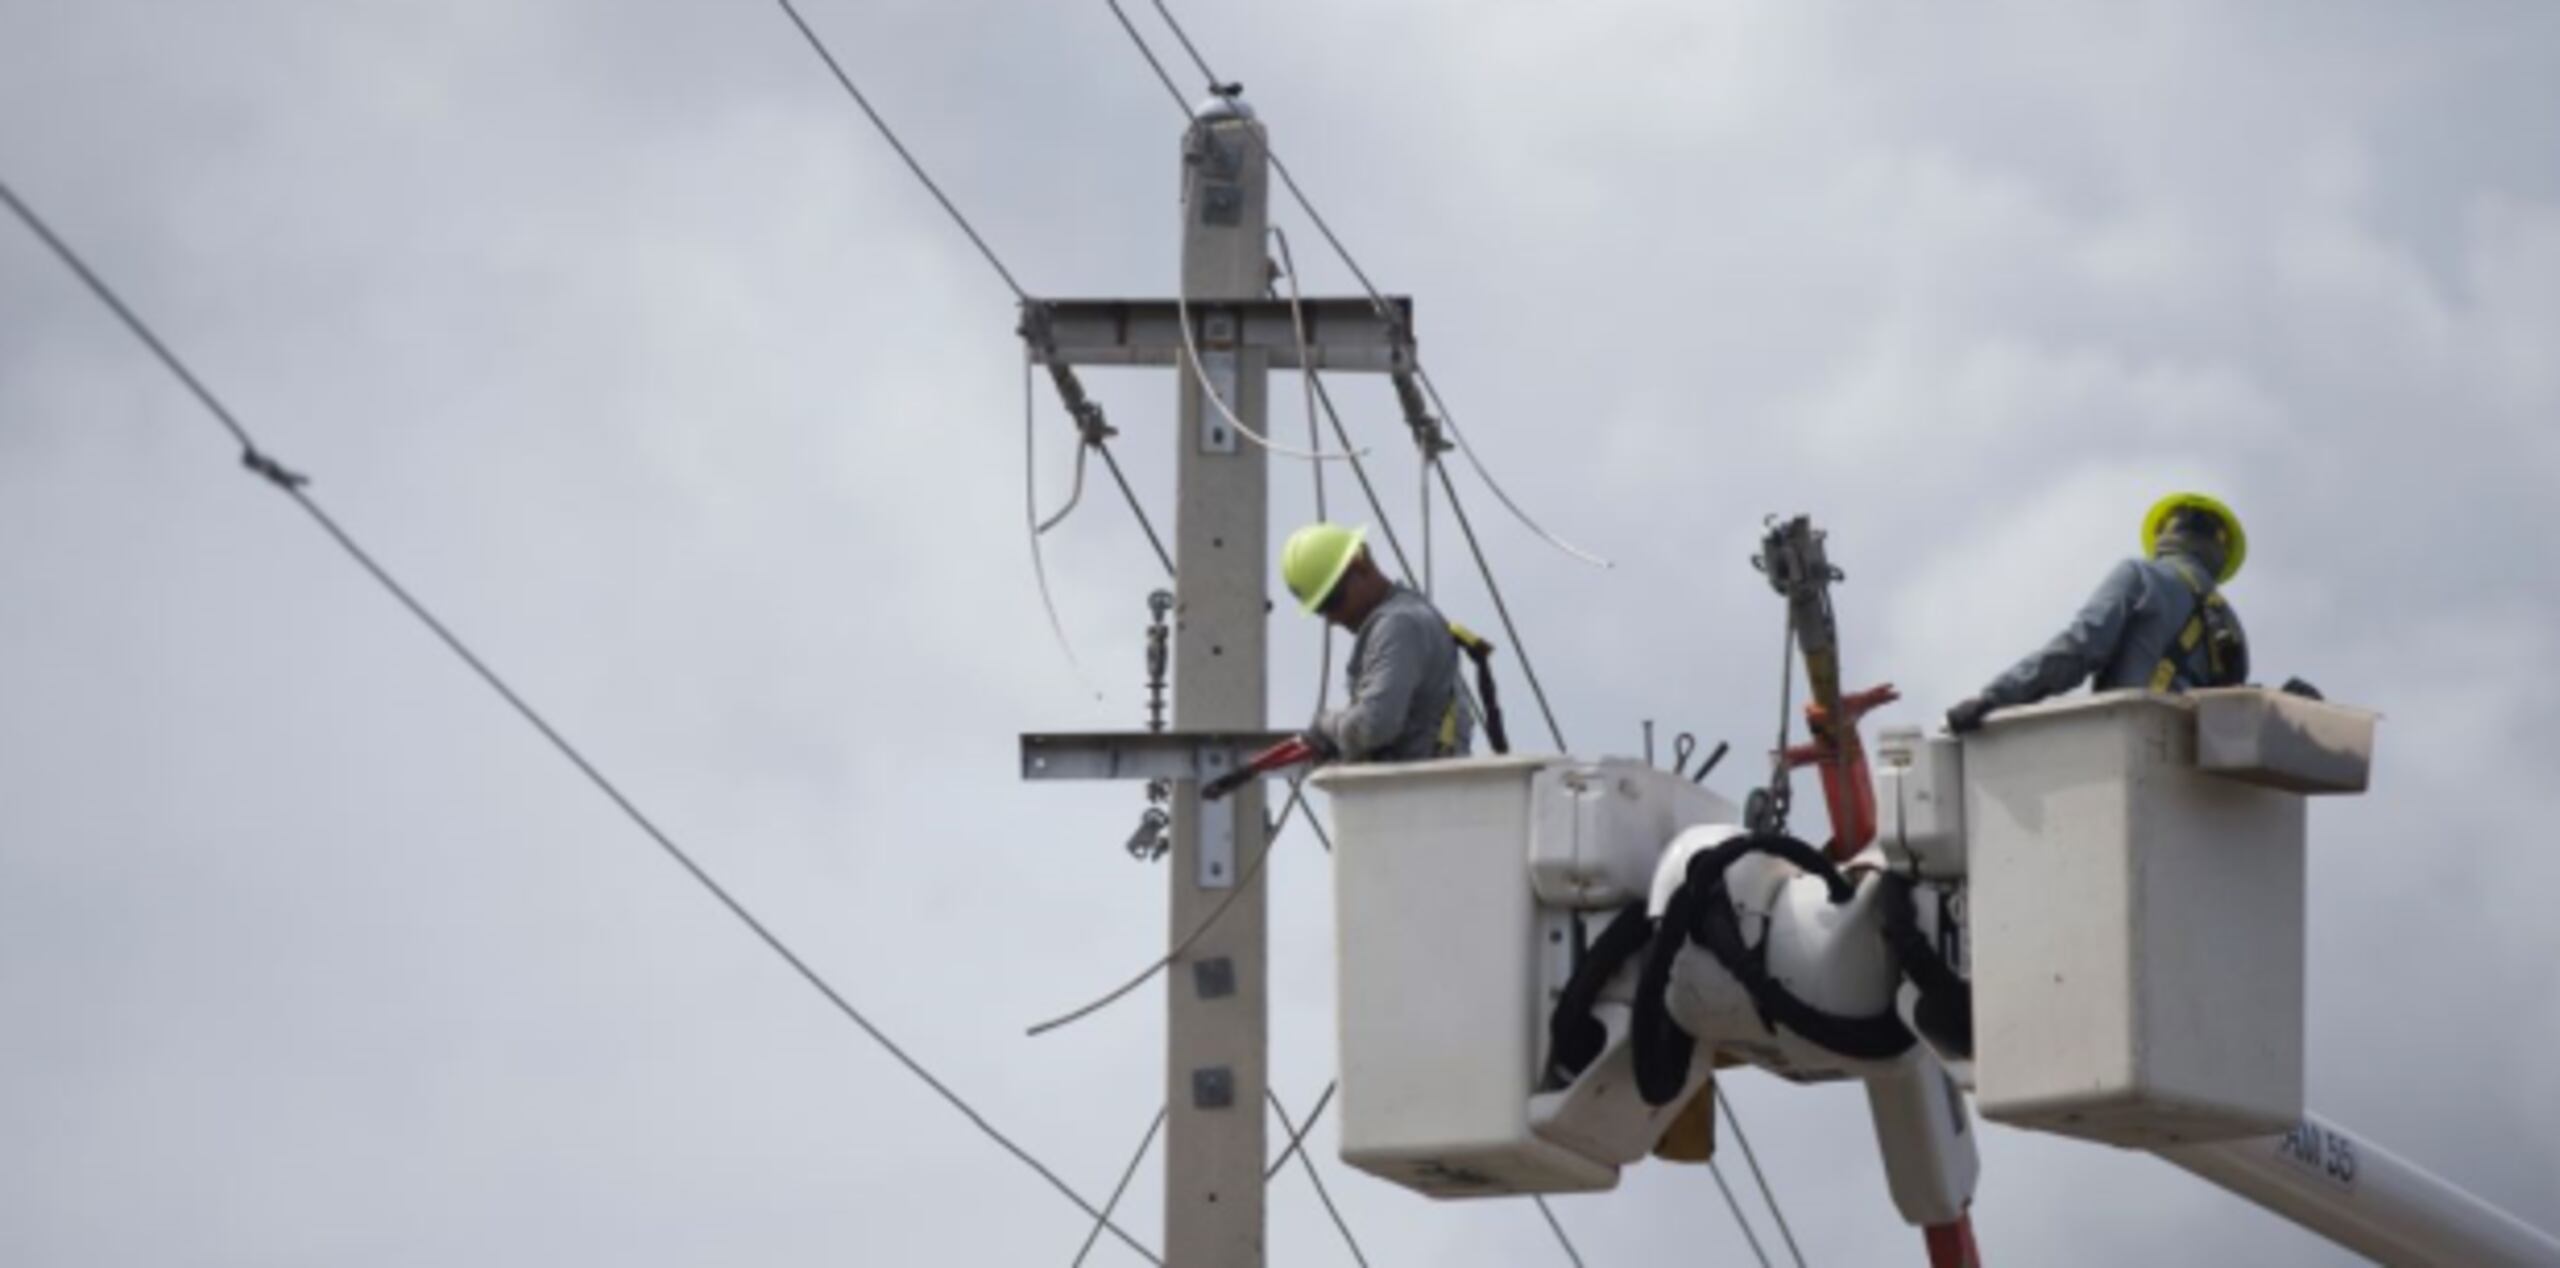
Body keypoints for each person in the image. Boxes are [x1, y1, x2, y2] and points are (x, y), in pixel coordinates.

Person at [1945, 492, 2251, 733]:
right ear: (2221, 556)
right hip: (2193, 780)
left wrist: (1995, 697)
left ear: (2164, 535)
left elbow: (2080, 648)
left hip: (2130, 742)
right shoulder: (2231, 627)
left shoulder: (2142, 575)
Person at [1281, 522, 1476, 761]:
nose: (1332, 619)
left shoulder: (1399, 625)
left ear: (1360, 565)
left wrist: (1326, 724)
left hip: (1419, 790)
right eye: (1321, 610)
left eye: (1333, 601)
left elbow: (1373, 726)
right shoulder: (1406, 618)